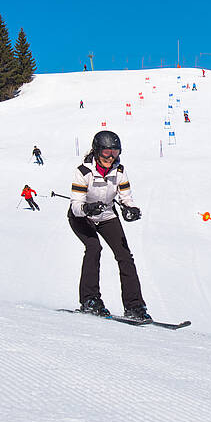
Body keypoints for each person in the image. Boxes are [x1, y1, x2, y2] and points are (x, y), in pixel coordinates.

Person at [68, 130, 150, 321]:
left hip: (106, 215)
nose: (110, 157)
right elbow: (76, 206)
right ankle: (90, 300)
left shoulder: (119, 171)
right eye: (106, 152)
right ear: (97, 151)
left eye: (115, 152)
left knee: (125, 256)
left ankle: (134, 306)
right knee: (94, 248)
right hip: (82, 217)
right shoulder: (83, 172)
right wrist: (88, 209)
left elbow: (126, 197)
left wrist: (130, 209)